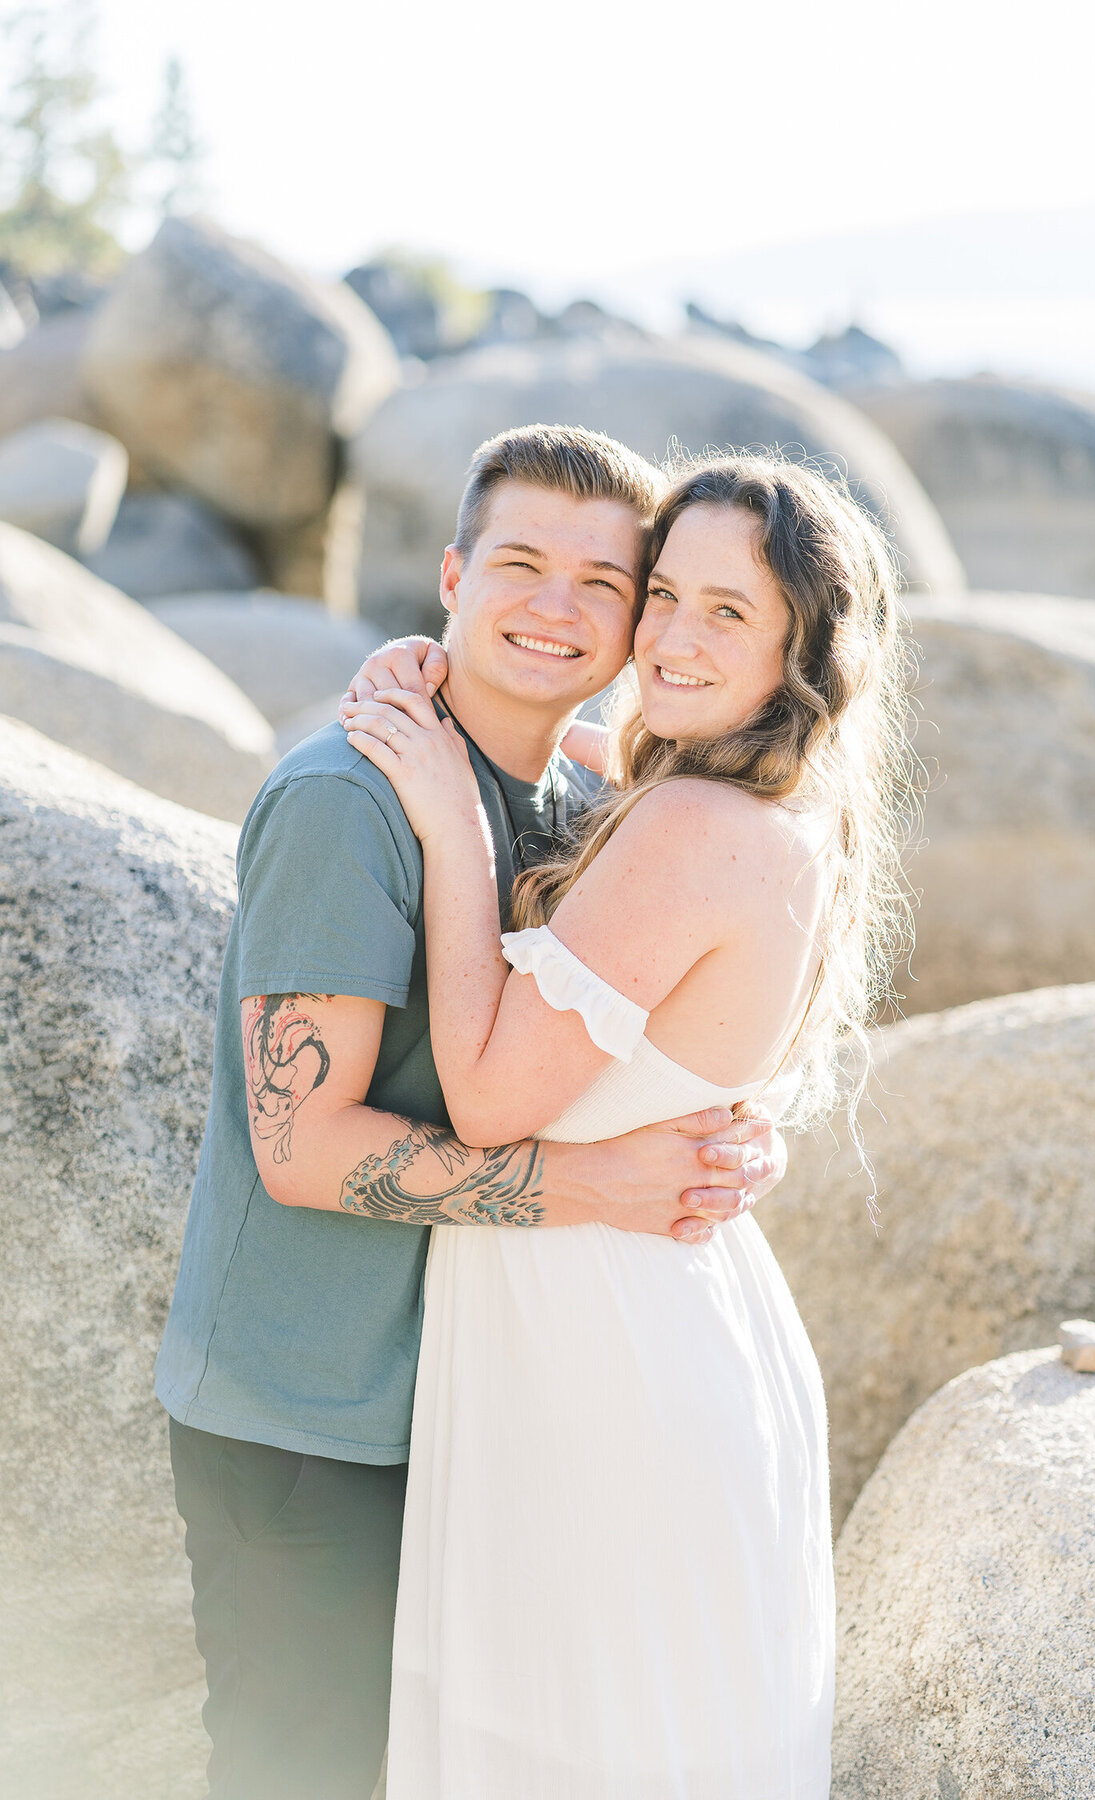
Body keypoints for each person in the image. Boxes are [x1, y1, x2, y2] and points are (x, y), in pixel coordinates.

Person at [154, 425, 789, 1800]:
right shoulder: (346, 805)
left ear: (640, 626)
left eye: (603, 584)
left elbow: (637, 1029)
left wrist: (719, 1120)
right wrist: (602, 1187)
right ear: (449, 574)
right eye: (518, 564)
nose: (555, 608)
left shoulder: (588, 808)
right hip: (311, 1421)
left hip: (480, 1411)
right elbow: (304, 1148)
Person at [340, 451, 911, 1798]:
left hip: (605, 1355)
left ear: (801, 646)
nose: (670, 636)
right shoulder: (768, 804)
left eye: (730, 611)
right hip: (654, 1321)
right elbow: (588, 755)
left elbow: (487, 1097)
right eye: (663, 594)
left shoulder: (693, 826)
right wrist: (437, 674)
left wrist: (446, 823)